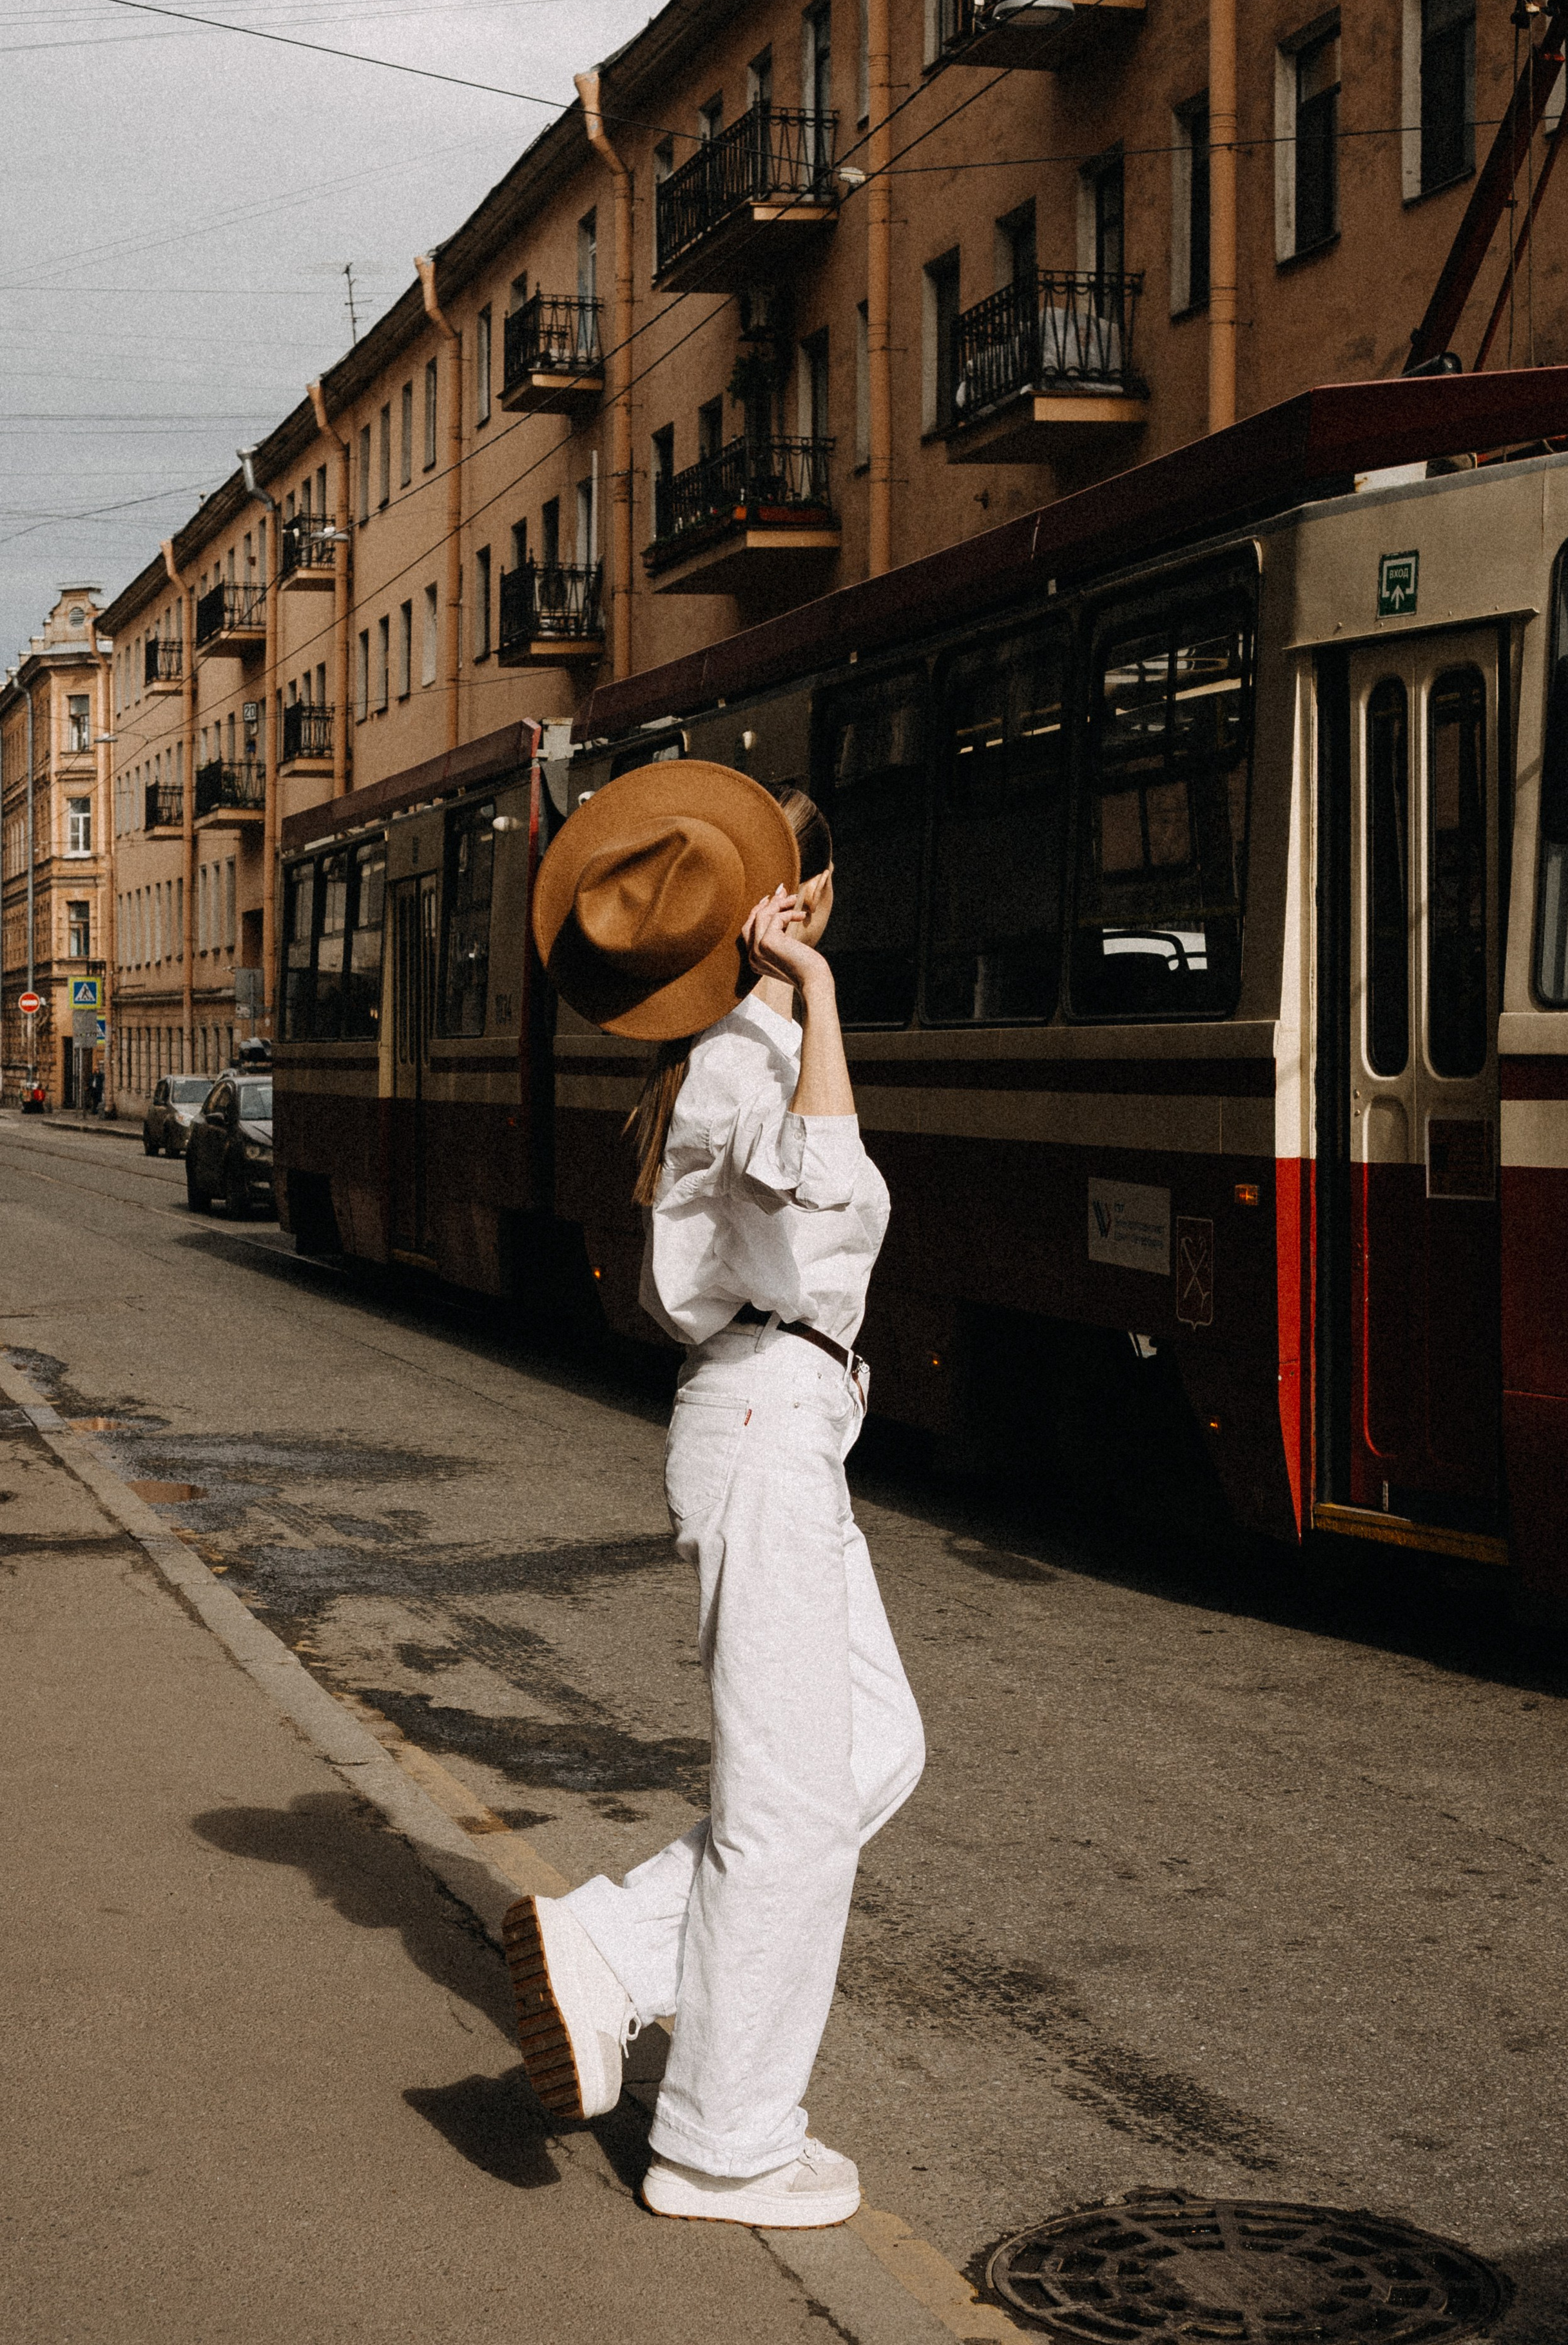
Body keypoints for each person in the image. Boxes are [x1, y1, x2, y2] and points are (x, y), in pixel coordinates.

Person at [510, 759, 924, 2229]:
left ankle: (614, 1950)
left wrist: (791, 996)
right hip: (764, 1414)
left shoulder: (730, 1056)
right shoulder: (753, 1059)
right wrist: (807, 989)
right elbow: (820, 1193)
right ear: (782, 904)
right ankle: (721, 2139)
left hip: (779, 1420)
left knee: (874, 1744)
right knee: (785, 1808)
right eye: (804, 896)